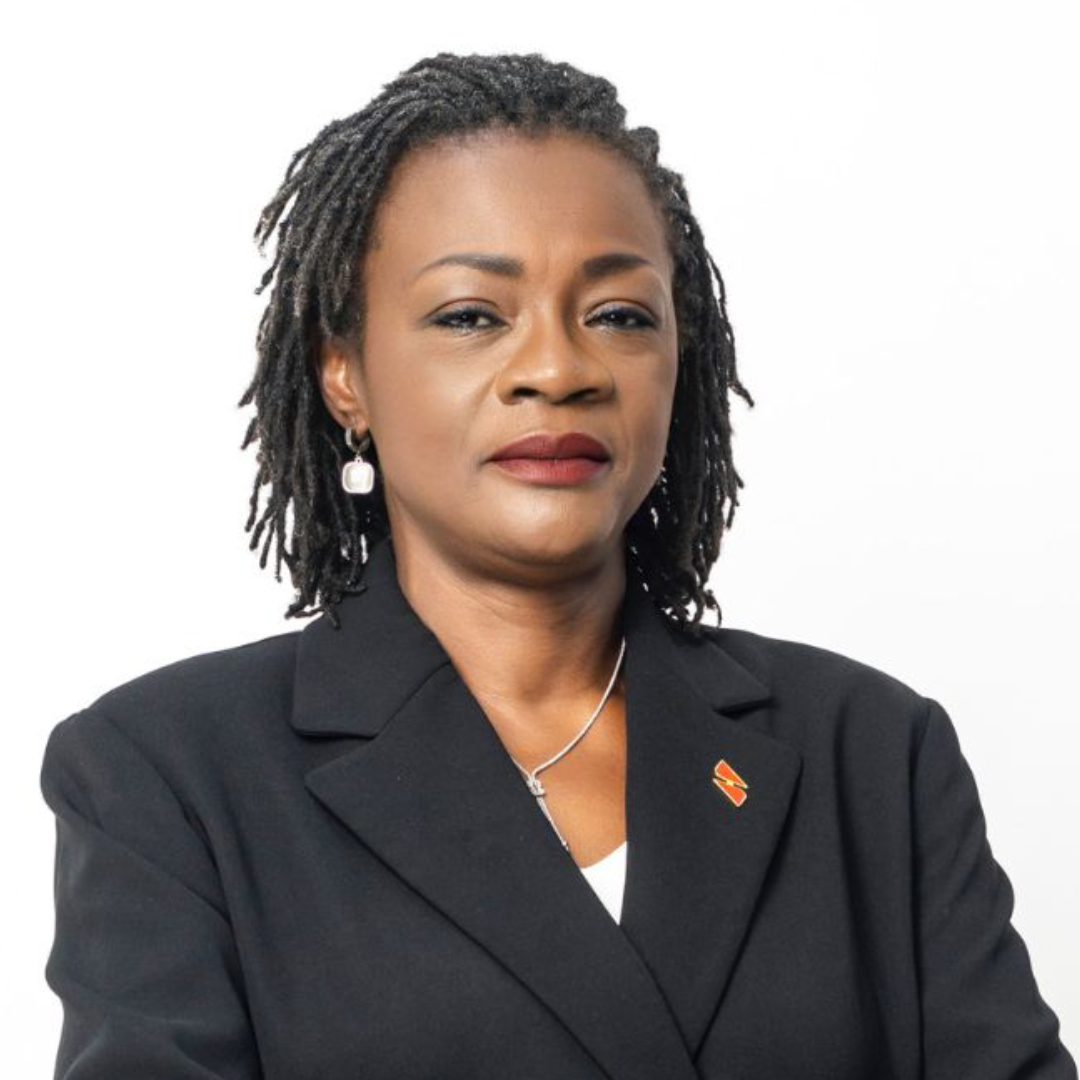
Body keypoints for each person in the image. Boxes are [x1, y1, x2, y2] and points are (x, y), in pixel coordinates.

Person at [39, 50, 1076, 1080]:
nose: (557, 368)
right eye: (471, 316)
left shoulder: (872, 751)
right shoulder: (165, 774)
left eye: (619, 315)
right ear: (344, 372)